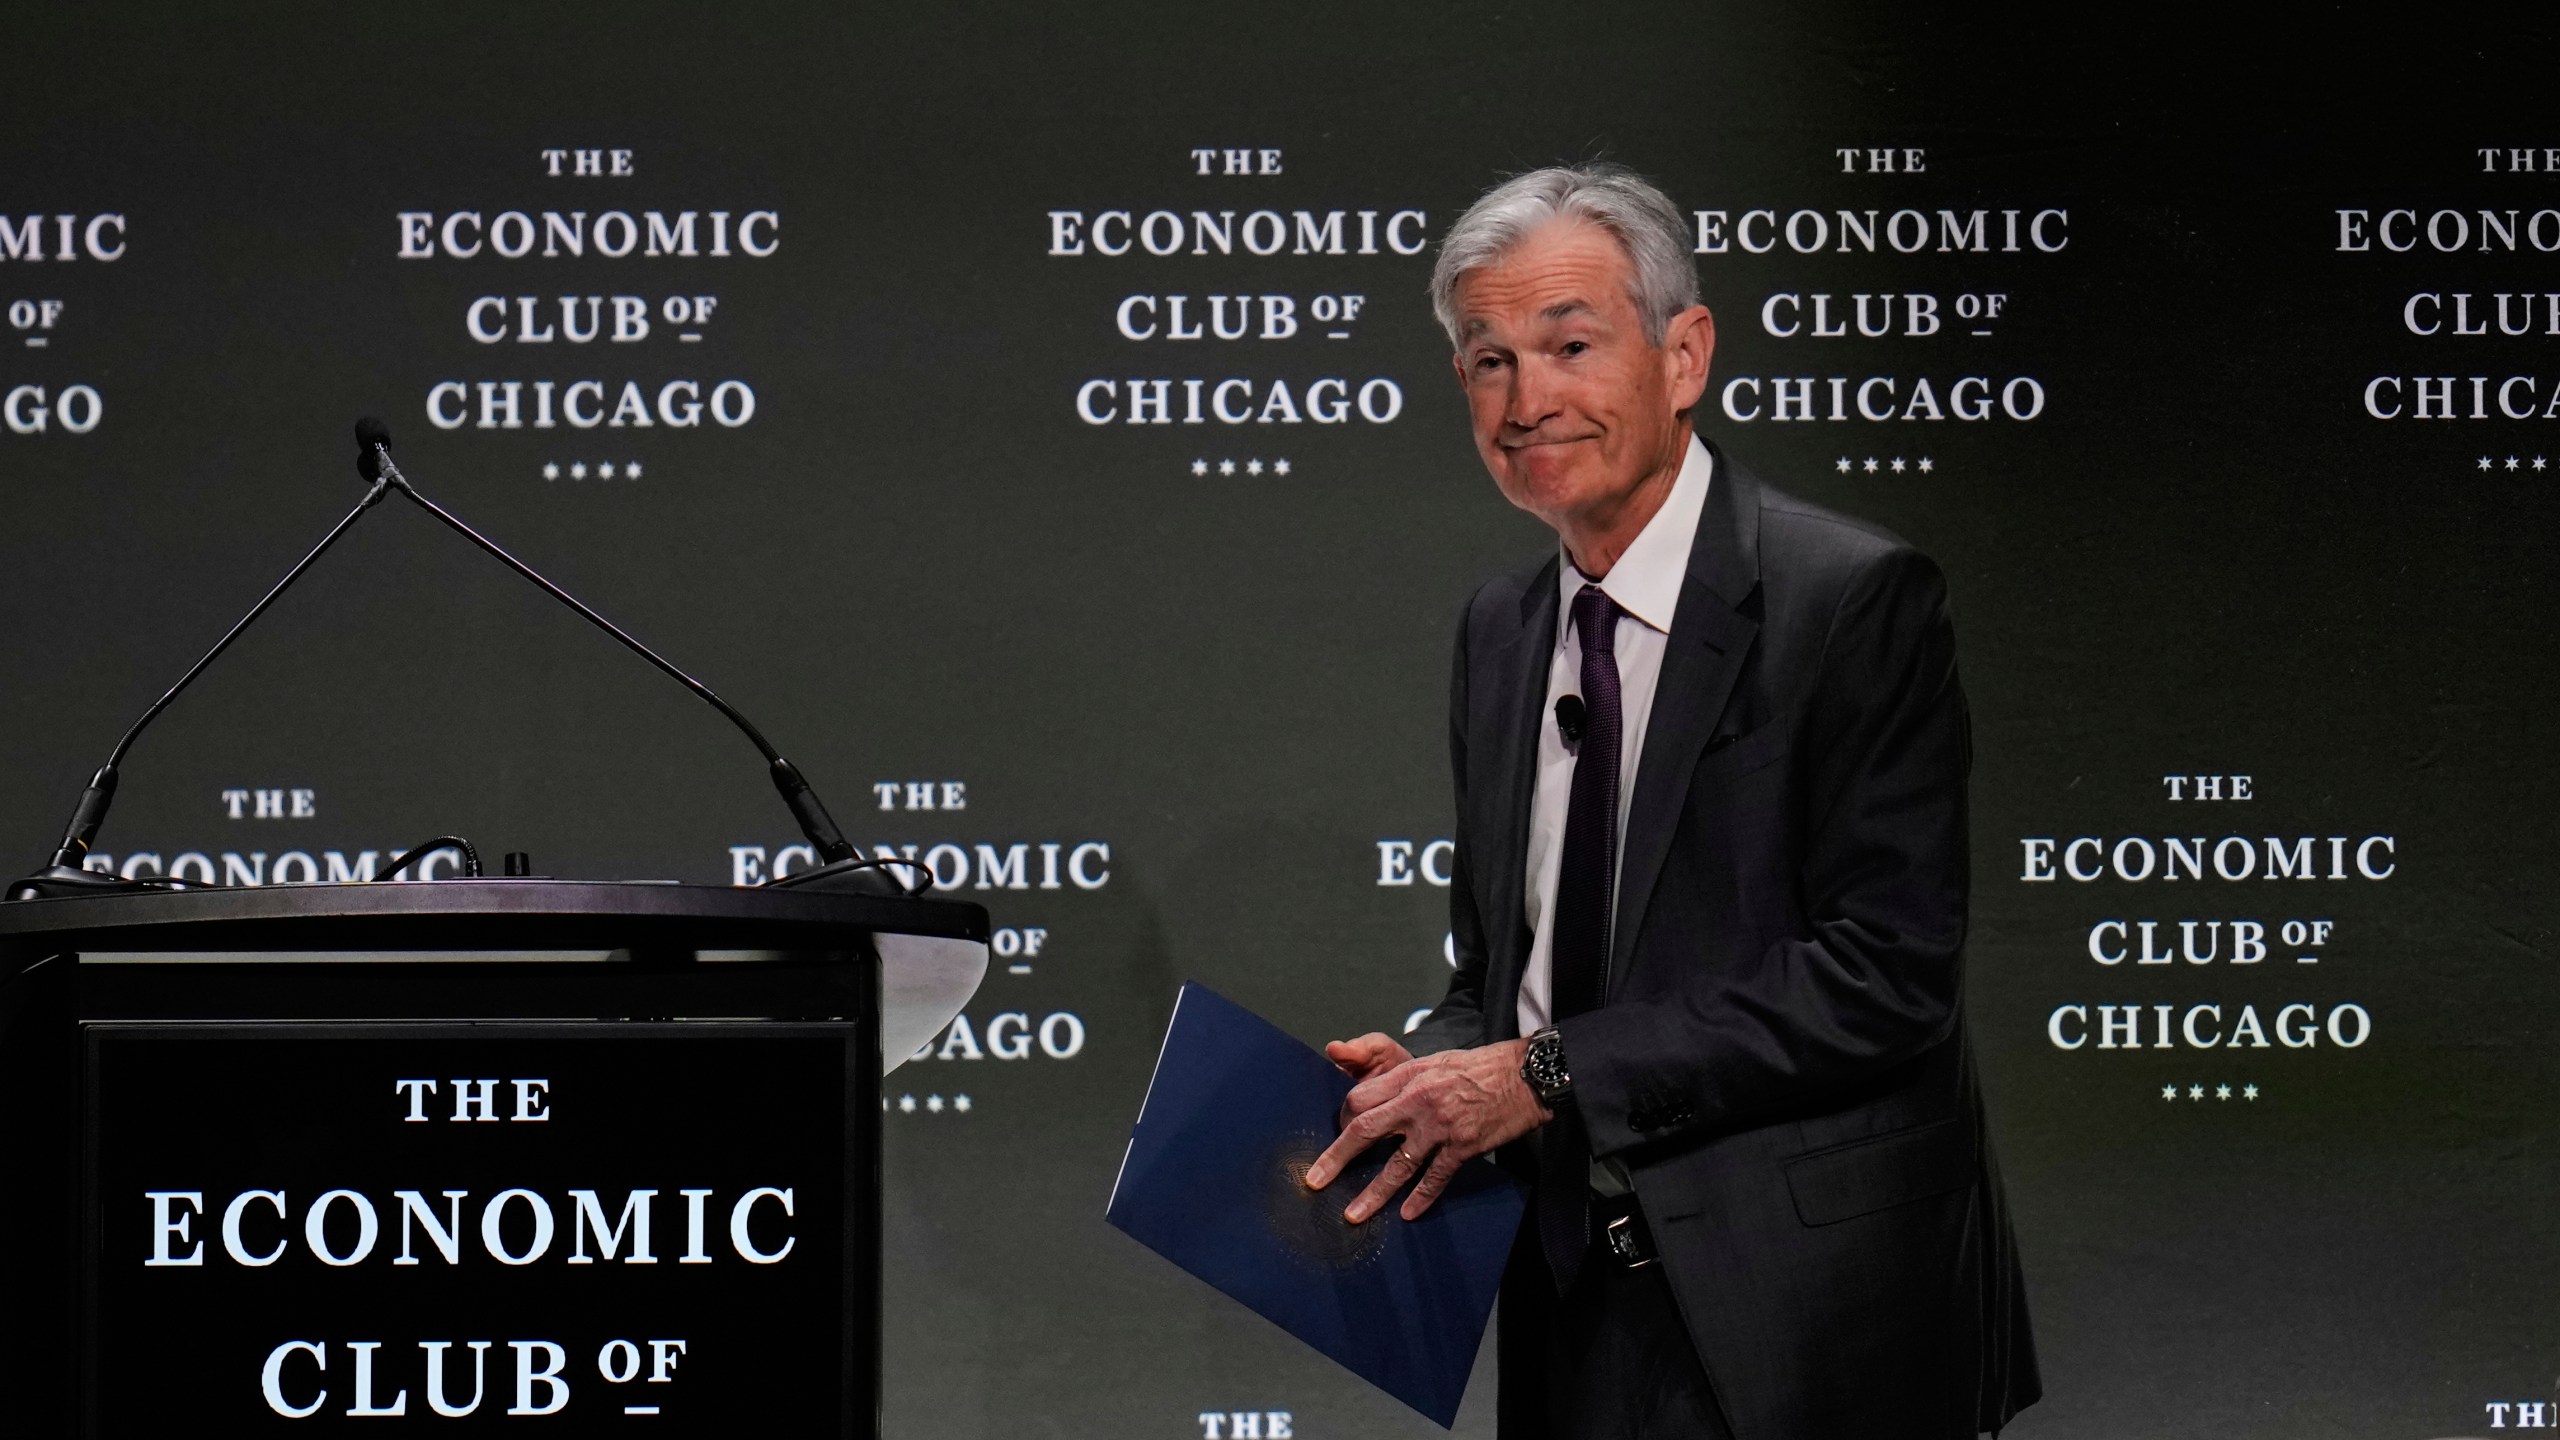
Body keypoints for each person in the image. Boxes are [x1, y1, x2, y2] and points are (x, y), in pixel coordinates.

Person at [1303, 163, 2039, 1438]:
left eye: (1569, 344)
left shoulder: (1848, 599)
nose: (1528, 401)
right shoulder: (1500, 628)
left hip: (1805, 1311)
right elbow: (1508, 960)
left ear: (1683, 353)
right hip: (1566, 1291)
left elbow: (1886, 974)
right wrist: (1446, 1068)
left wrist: (1537, 1071)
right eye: (1487, 362)